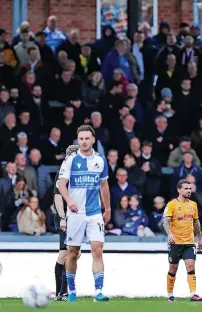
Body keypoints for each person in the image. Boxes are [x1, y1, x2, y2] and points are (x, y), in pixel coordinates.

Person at [56, 126, 111, 302]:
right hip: (75, 214)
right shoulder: (70, 160)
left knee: (97, 250)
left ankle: (99, 291)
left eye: (87, 138)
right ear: (77, 140)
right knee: (72, 253)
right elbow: (61, 184)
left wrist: (107, 208)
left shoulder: (101, 160)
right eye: (81, 139)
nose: (84, 142)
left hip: (94, 213)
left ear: (93, 139)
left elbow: (104, 186)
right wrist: (69, 200)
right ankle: (71, 291)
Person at [164, 179, 202, 302]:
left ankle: (193, 294)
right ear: (179, 190)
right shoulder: (171, 204)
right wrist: (169, 234)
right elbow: (166, 221)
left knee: (191, 266)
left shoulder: (193, 205)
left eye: (190, 188)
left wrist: (199, 239)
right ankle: (170, 294)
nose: (188, 191)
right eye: (186, 188)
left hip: (189, 242)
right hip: (175, 242)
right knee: (173, 268)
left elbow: (196, 222)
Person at [53, 144, 80, 301]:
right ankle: (63, 292)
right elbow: (58, 197)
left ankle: (60, 292)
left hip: (76, 217)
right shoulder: (63, 173)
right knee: (69, 253)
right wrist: (63, 217)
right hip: (66, 218)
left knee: (65, 254)